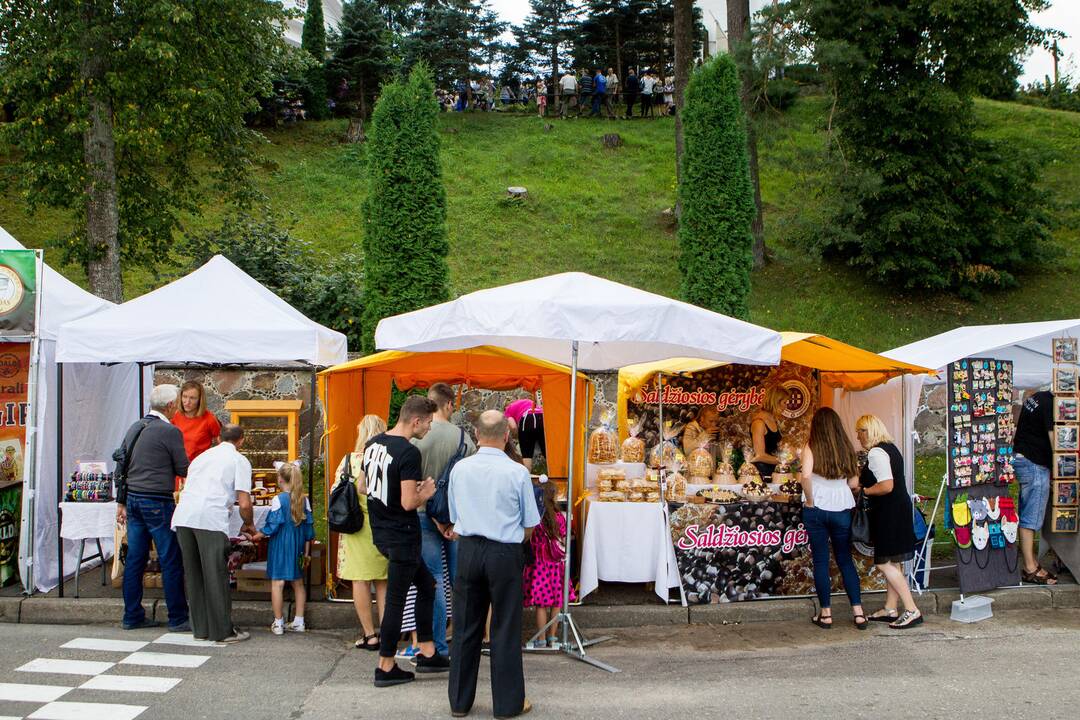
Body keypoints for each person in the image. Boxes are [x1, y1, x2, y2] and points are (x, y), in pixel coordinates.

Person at [446, 411, 540, 719]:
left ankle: (459, 702)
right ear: (506, 436)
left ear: (476, 434)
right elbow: (529, 524)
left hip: (469, 548)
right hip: (504, 551)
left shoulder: (461, 468)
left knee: (465, 627)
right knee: (505, 627)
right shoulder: (516, 472)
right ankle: (508, 704)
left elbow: (453, 512)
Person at [363, 395, 449, 687]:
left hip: (381, 531)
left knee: (427, 585)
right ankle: (385, 666)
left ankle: (428, 650)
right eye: (428, 423)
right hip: (403, 535)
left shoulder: (373, 443)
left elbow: (363, 485)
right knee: (397, 600)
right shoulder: (409, 453)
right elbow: (409, 502)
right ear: (416, 421)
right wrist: (427, 492)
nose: (429, 429)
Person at [117, 384, 190, 632]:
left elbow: (121, 463)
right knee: (170, 558)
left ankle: (132, 615)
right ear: (170, 405)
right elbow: (183, 467)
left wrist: (121, 501)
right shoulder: (170, 431)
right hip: (157, 500)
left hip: (134, 499)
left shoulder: (135, 426)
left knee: (136, 559)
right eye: (177, 402)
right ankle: (178, 617)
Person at [171, 423, 253, 642]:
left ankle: (201, 628)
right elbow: (244, 503)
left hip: (184, 516)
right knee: (216, 574)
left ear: (218, 439)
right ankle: (222, 630)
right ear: (241, 440)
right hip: (210, 517)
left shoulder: (201, 457)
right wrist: (249, 524)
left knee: (194, 574)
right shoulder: (239, 460)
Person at [413, 383, 477, 660]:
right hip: (455, 517)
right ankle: (463, 641)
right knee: (461, 579)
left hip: (421, 511)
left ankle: (436, 645)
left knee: (434, 580)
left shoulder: (416, 437)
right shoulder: (464, 439)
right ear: (449, 404)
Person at [800, 408, 866, 630]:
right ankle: (858, 612)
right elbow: (854, 484)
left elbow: (806, 476)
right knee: (845, 559)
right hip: (842, 507)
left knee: (820, 560)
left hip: (816, 507)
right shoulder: (846, 447)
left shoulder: (811, 446)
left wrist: (810, 500)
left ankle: (826, 613)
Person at [855, 415, 921, 629]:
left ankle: (911, 609)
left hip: (888, 512)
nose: (857, 437)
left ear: (868, 431)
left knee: (884, 563)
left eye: (860, 432)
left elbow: (886, 485)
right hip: (898, 509)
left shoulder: (876, 452)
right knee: (894, 562)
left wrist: (864, 490)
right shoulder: (891, 448)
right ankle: (890, 608)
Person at [336, 415, 390, 650]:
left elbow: (335, 490)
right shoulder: (386, 459)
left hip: (355, 528)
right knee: (384, 582)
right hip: (382, 525)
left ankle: (370, 635)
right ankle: (389, 633)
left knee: (360, 580)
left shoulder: (349, 460)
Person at [259, 460, 314, 635]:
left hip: (281, 544)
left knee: (278, 583)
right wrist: (306, 553)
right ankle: (299, 621)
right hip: (298, 545)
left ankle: (278, 622)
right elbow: (308, 530)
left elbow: (272, 526)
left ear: (280, 479)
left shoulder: (278, 499)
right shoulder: (304, 500)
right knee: (298, 583)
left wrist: (258, 534)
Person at [1013, 389, 1057, 584]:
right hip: (1034, 464)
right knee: (1031, 517)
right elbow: (1056, 442)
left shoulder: (1038, 397)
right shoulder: (1051, 405)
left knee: (1026, 514)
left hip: (1023, 459)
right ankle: (1030, 567)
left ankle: (1030, 563)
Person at [523, 480, 573, 649]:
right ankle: (552, 637)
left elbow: (528, 537)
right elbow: (565, 536)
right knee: (556, 603)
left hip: (539, 566)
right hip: (556, 565)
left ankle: (541, 638)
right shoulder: (560, 517)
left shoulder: (536, 517)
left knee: (541, 604)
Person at [750, 386, 790, 479]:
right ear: (776, 402)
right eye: (784, 402)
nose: (786, 406)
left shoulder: (774, 420)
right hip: (761, 474)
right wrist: (784, 460)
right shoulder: (759, 423)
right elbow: (760, 455)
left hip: (774, 471)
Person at [505, 397, 544, 471]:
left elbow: (513, 427)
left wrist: (517, 436)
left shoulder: (508, 409)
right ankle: (556, 477)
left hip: (527, 419)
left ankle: (526, 477)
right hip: (542, 417)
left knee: (527, 455)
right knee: (547, 453)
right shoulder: (527, 401)